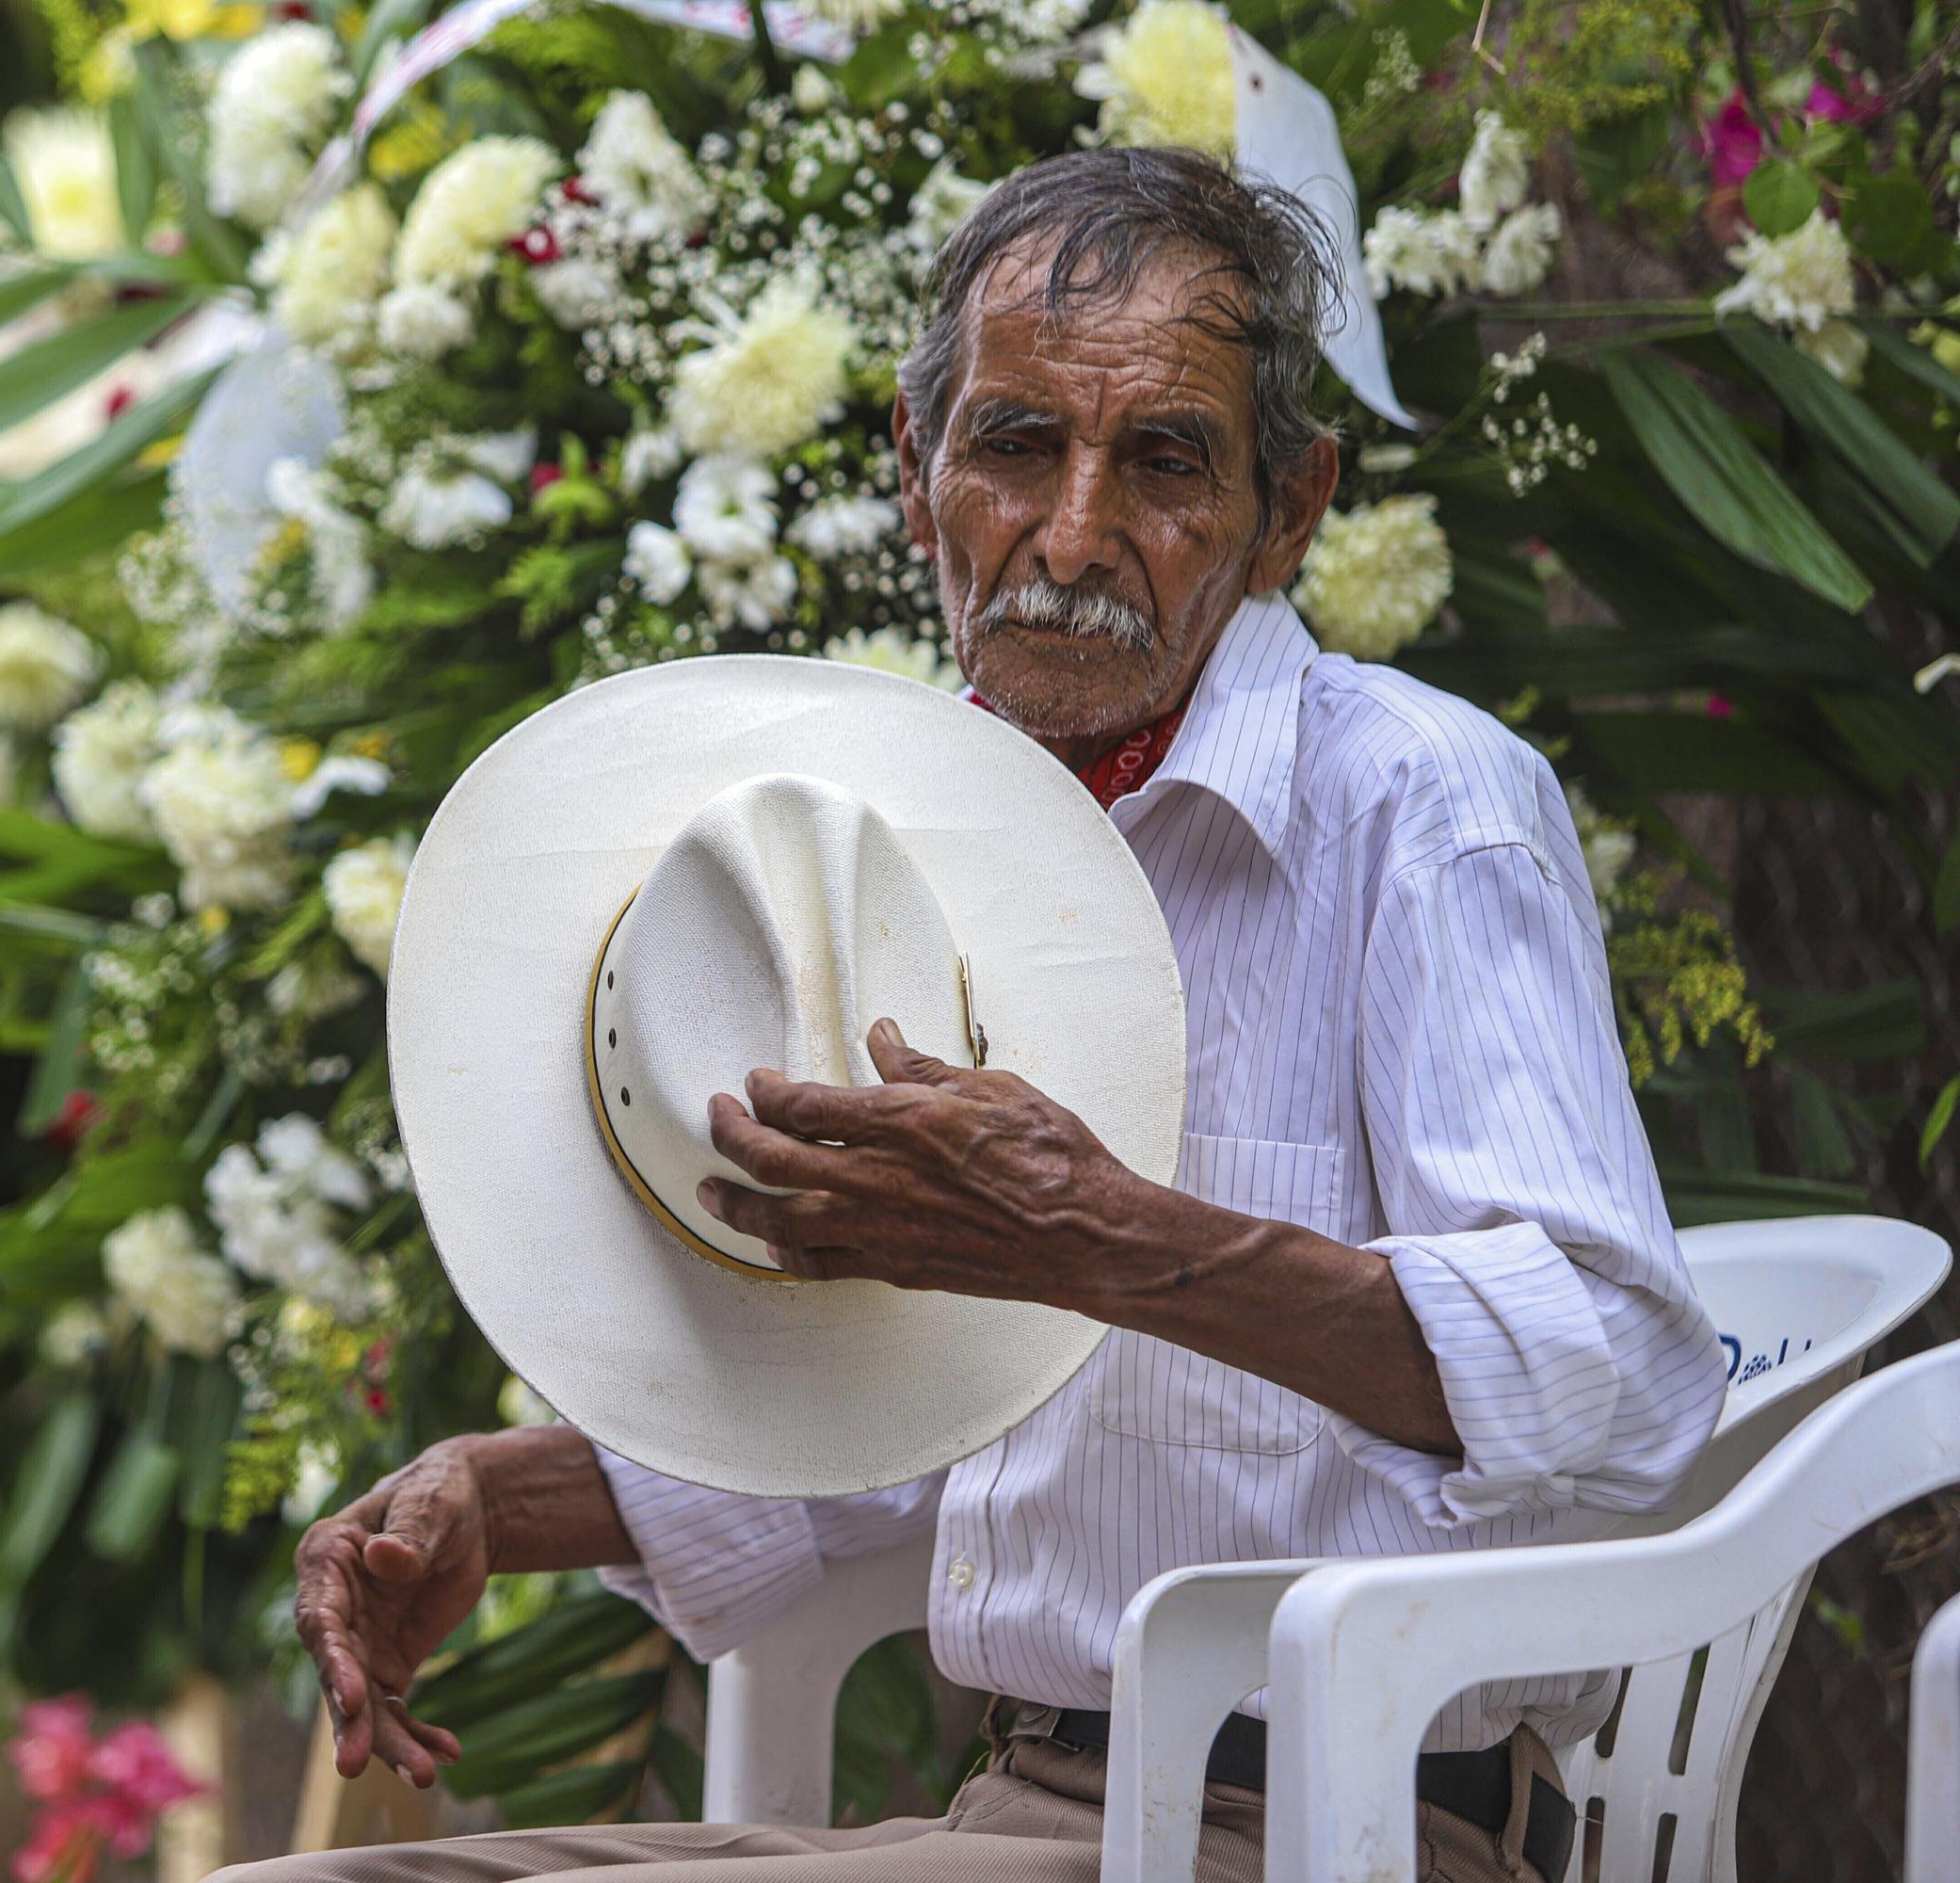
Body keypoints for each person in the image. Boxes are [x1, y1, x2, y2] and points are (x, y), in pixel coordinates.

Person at [223, 145, 1724, 1883]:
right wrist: (497, 1499)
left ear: (1287, 511)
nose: (1074, 535)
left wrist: (1103, 1240)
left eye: (1166, 462)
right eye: (1015, 444)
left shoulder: (1417, 804)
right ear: (917, 470)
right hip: (1016, 1818)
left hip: (1339, 1831)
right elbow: (897, 1426)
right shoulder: (914, 844)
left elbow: (1620, 1373)